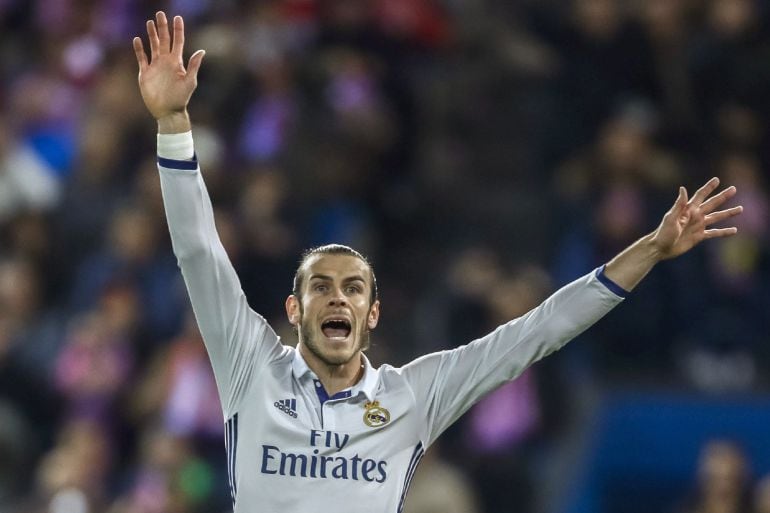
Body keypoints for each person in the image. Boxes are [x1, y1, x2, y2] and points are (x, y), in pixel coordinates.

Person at [132, 11, 744, 513]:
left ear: (373, 314)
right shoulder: (251, 370)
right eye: (321, 286)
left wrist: (652, 249)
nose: (338, 298)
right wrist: (173, 122)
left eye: (353, 289)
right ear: (294, 308)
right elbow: (198, 251)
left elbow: (540, 331)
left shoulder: (412, 396)